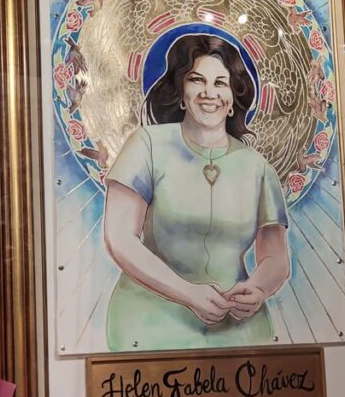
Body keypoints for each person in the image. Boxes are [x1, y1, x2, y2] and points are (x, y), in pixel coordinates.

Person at [102, 34, 290, 350]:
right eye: (196, 80)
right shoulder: (146, 145)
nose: (209, 93)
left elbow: (276, 257)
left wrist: (256, 290)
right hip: (149, 324)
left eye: (221, 83)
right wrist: (188, 294)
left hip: (239, 329)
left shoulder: (258, 167)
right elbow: (119, 237)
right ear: (180, 92)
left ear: (233, 96)